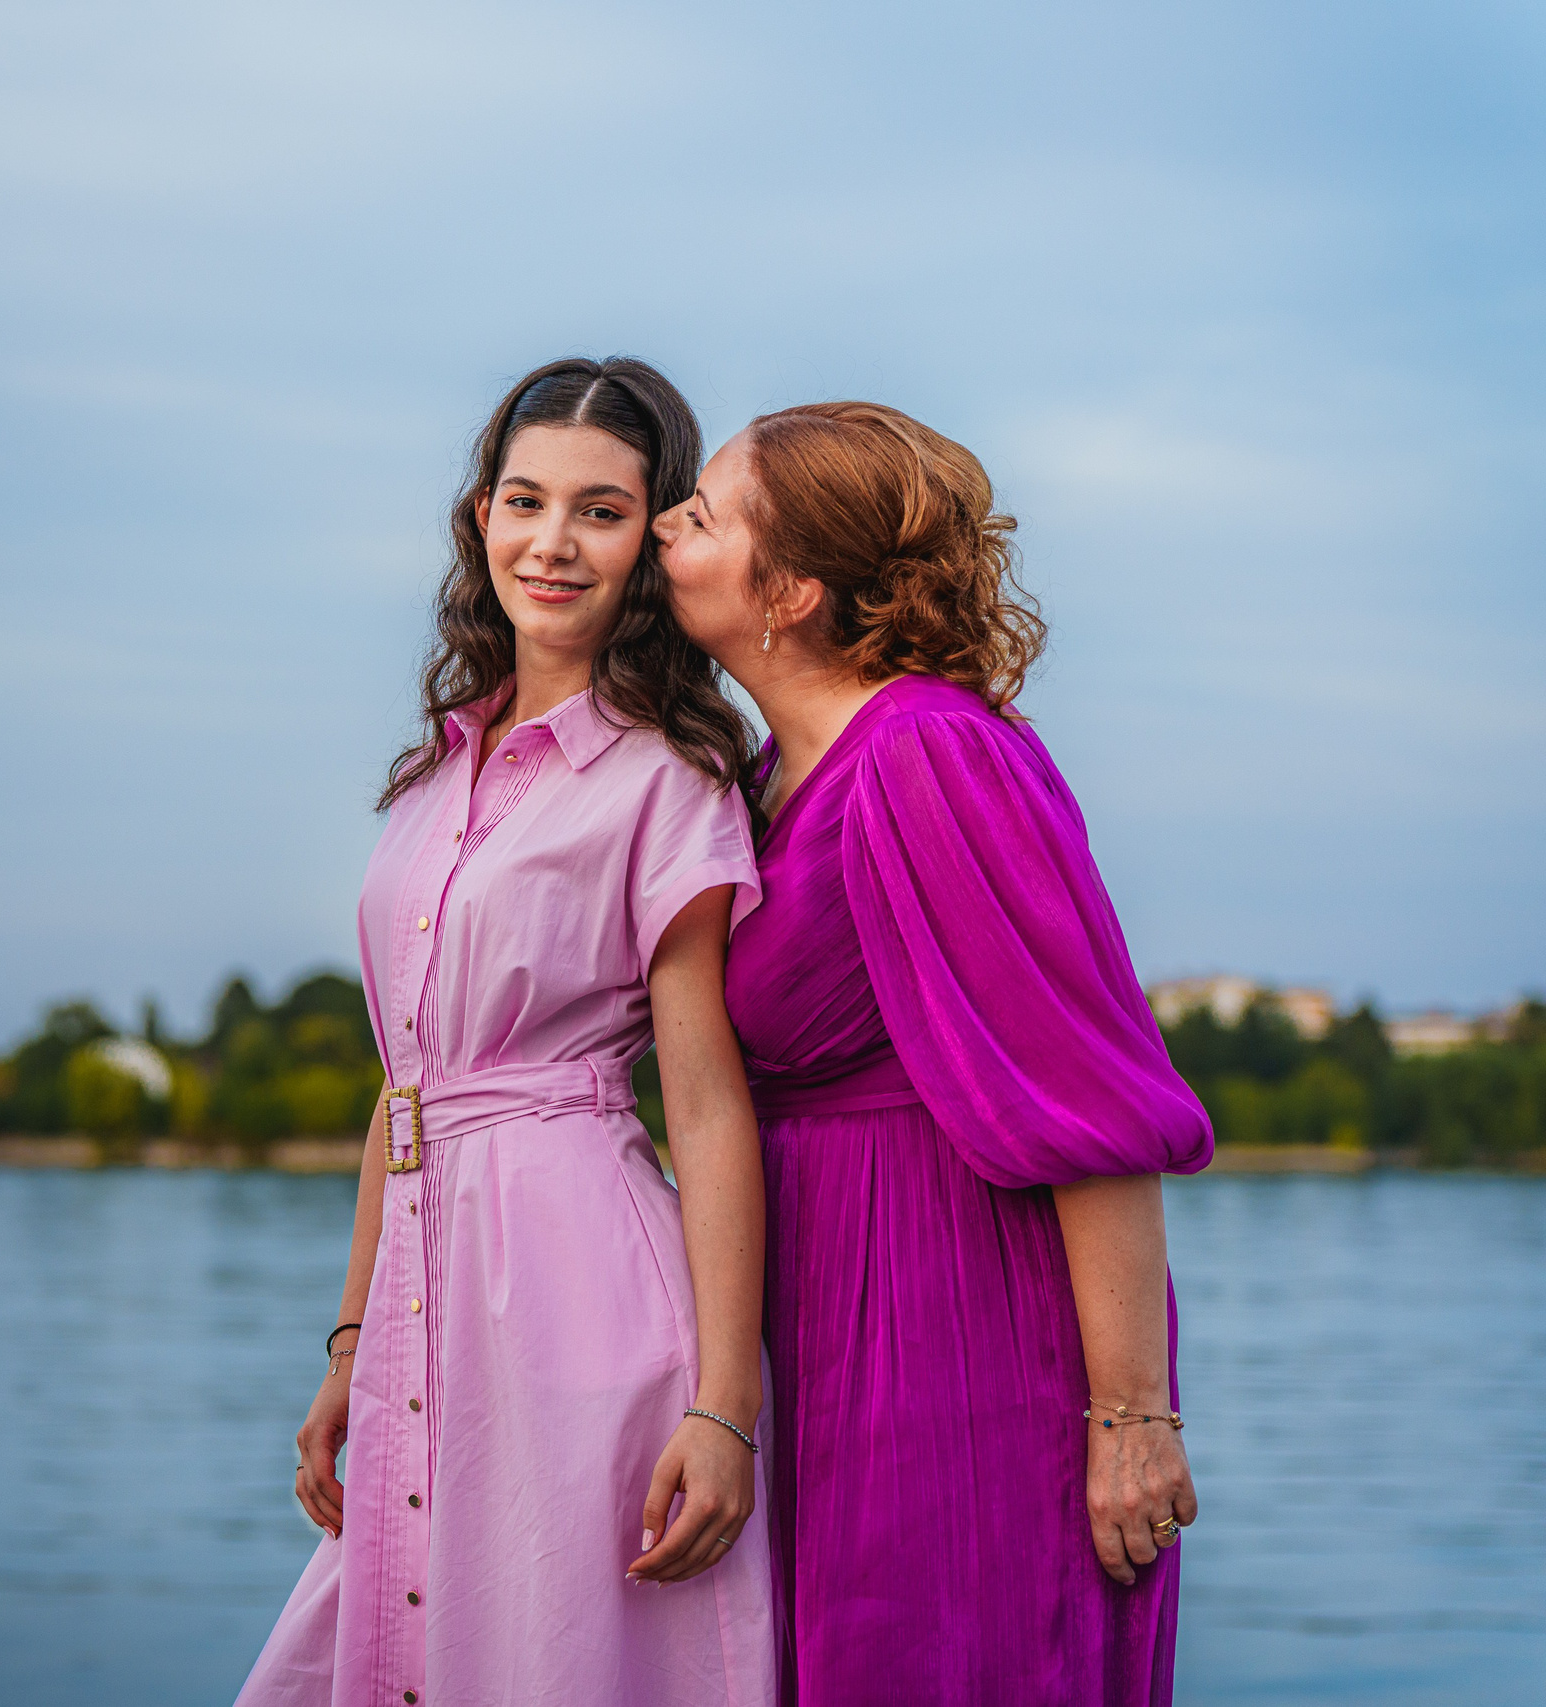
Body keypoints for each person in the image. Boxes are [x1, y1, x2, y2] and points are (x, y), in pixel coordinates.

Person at [233, 358, 777, 1707]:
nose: (552, 542)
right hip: (426, 1281)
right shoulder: (436, 770)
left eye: (600, 511)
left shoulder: (669, 776)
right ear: (481, 517)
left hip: (578, 1289)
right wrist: (350, 1343)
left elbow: (705, 1108)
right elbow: (403, 1087)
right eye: (526, 501)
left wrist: (725, 1407)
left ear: (651, 539)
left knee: (547, 1655)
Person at [650, 402, 1212, 1706]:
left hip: (948, 1330)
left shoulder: (930, 753)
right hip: (823, 1311)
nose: (672, 522)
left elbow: (1094, 1100)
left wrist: (1132, 1417)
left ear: (785, 589)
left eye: (704, 512)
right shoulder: (762, 781)